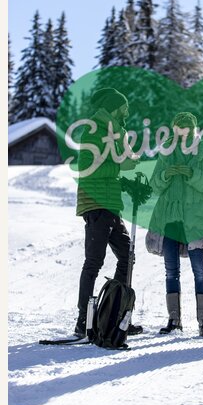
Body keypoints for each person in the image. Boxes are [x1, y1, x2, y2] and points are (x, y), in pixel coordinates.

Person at [72, 87, 143, 337]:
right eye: (123, 109)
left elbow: (119, 161)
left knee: (127, 256)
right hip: (95, 204)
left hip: (112, 205)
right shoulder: (92, 132)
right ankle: (85, 320)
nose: (126, 114)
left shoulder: (116, 133)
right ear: (113, 109)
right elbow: (86, 169)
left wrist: (125, 175)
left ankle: (115, 313)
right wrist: (117, 166)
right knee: (94, 261)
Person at [144, 112, 203, 337]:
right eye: (179, 127)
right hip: (170, 220)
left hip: (196, 221)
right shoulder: (166, 150)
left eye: (187, 127)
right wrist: (166, 174)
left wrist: (193, 174)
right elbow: (154, 186)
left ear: (194, 129)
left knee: (200, 271)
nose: (183, 131)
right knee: (171, 272)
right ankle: (174, 320)